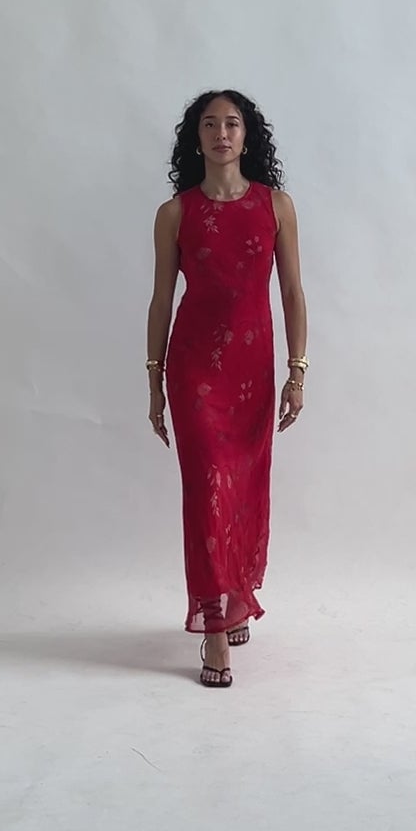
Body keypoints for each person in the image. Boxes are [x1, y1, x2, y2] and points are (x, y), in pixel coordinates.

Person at [147, 91, 308, 688]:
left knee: (242, 485)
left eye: (232, 123)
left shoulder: (276, 206)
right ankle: (214, 625)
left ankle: (236, 595)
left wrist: (297, 370)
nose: (221, 133)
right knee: (206, 487)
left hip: (251, 372)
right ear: (195, 137)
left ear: (247, 136)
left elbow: (291, 291)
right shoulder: (175, 213)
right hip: (193, 370)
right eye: (209, 124)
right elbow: (161, 300)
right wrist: (154, 380)